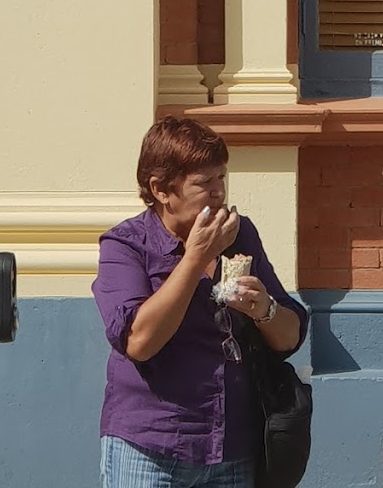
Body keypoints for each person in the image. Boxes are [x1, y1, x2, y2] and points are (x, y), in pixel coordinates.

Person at [92, 116, 308, 488]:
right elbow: (139, 342)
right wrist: (194, 259)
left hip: (232, 447)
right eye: (203, 183)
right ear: (161, 189)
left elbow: (290, 336)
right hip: (151, 446)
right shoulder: (126, 245)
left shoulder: (240, 235)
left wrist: (264, 310)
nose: (218, 192)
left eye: (221, 178)